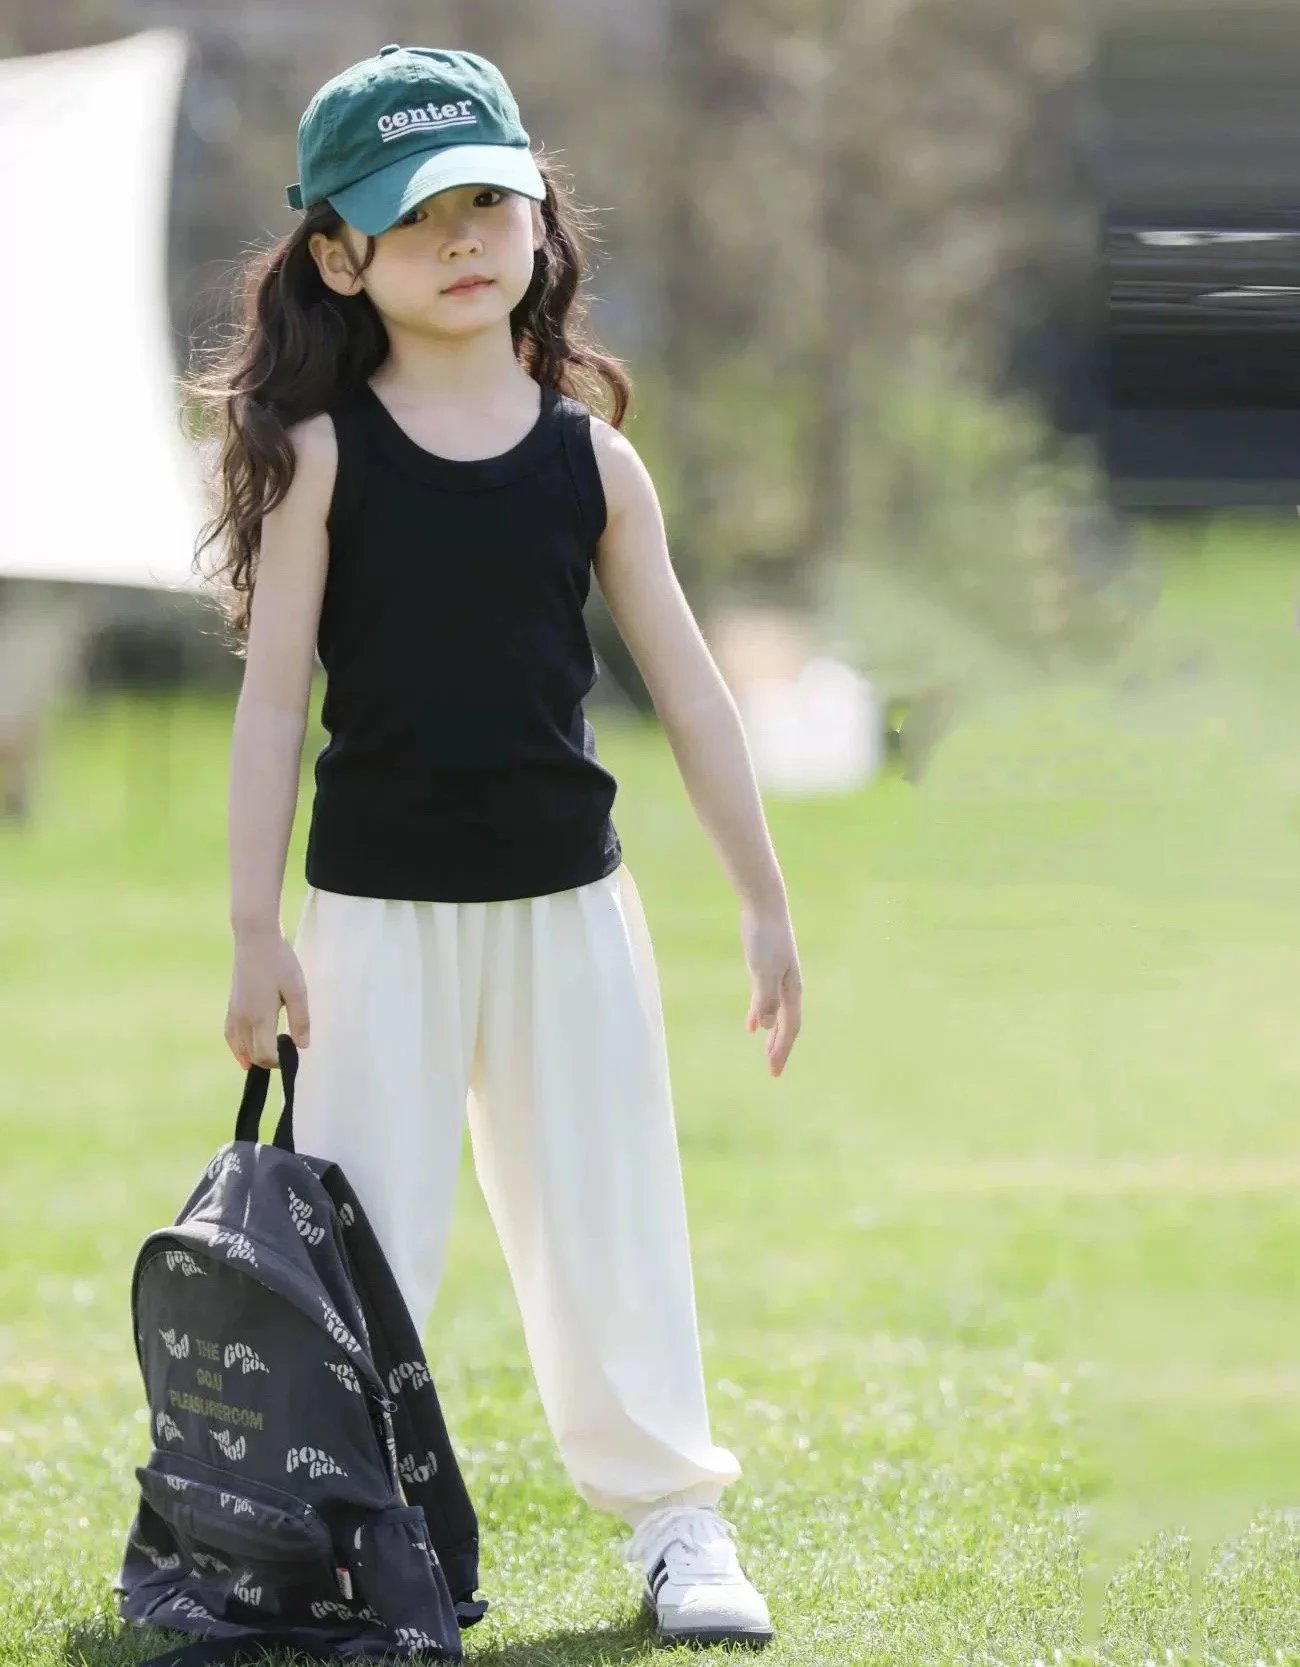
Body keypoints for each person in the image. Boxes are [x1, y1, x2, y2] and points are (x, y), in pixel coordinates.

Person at [201, 43, 802, 1650]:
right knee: (363, 1250)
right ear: (341, 257)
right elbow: (271, 710)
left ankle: (677, 1523)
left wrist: (762, 901)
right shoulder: (321, 458)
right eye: (417, 216)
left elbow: (691, 689)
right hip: (373, 924)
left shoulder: (594, 460)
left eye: (488, 202)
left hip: (567, 915)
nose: (463, 238)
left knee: (613, 1227)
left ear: (539, 220)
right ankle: (342, 1541)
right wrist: (255, 931)